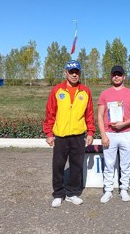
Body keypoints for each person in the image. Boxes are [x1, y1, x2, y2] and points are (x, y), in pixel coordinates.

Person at [43, 60, 96, 208]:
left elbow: (89, 114)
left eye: (76, 72)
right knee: (58, 166)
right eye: (71, 72)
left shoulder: (85, 91)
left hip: (78, 136)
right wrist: (49, 133)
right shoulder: (57, 90)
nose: (74, 74)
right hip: (60, 136)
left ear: (79, 73)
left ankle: (73, 193)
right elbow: (50, 113)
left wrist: (90, 131)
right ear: (65, 73)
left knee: (76, 166)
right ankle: (58, 194)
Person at [98, 65, 130, 203]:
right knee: (109, 164)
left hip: (126, 133)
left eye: (119, 75)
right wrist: (103, 135)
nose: (116, 77)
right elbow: (99, 115)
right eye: (114, 74)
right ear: (111, 76)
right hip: (110, 134)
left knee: (125, 164)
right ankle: (108, 190)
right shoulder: (105, 94)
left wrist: (124, 124)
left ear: (124, 77)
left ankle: (124, 189)